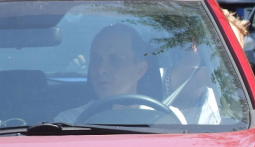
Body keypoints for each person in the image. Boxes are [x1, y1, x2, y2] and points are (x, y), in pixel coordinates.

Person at [55, 23, 186, 124]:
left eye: (115, 60)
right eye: (96, 59)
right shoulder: (69, 123)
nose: (101, 69)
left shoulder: (168, 119)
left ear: (140, 70)